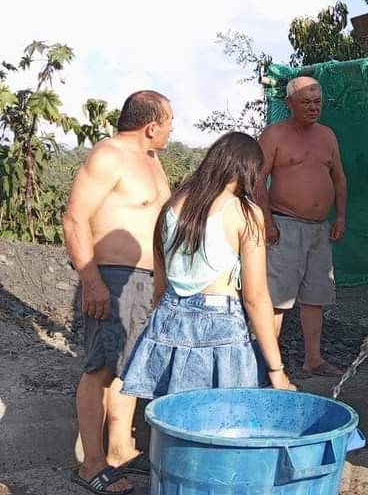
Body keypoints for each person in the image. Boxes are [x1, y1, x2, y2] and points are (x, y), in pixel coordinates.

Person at [120, 132, 293, 400]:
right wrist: (276, 370)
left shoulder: (171, 207)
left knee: (174, 418)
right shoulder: (244, 213)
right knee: (227, 418)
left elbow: (161, 285)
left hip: (169, 317)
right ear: (248, 169)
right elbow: (256, 297)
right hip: (221, 325)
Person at [62, 90, 173, 495]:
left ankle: (121, 449)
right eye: (169, 121)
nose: (171, 128)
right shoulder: (108, 156)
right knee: (100, 369)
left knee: (132, 369)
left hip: (146, 282)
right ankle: (91, 465)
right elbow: (74, 218)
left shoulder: (152, 161)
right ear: (151, 125)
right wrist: (92, 280)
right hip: (111, 277)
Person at [256, 76, 347, 378]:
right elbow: (257, 179)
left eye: (317, 101)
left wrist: (341, 216)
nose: (313, 107)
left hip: (319, 228)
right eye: (306, 102)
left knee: (315, 296)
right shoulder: (274, 135)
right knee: (278, 299)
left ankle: (313, 359)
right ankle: (268, 365)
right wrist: (266, 220)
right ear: (289, 104)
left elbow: (339, 178)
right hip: (284, 224)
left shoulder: (328, 135)